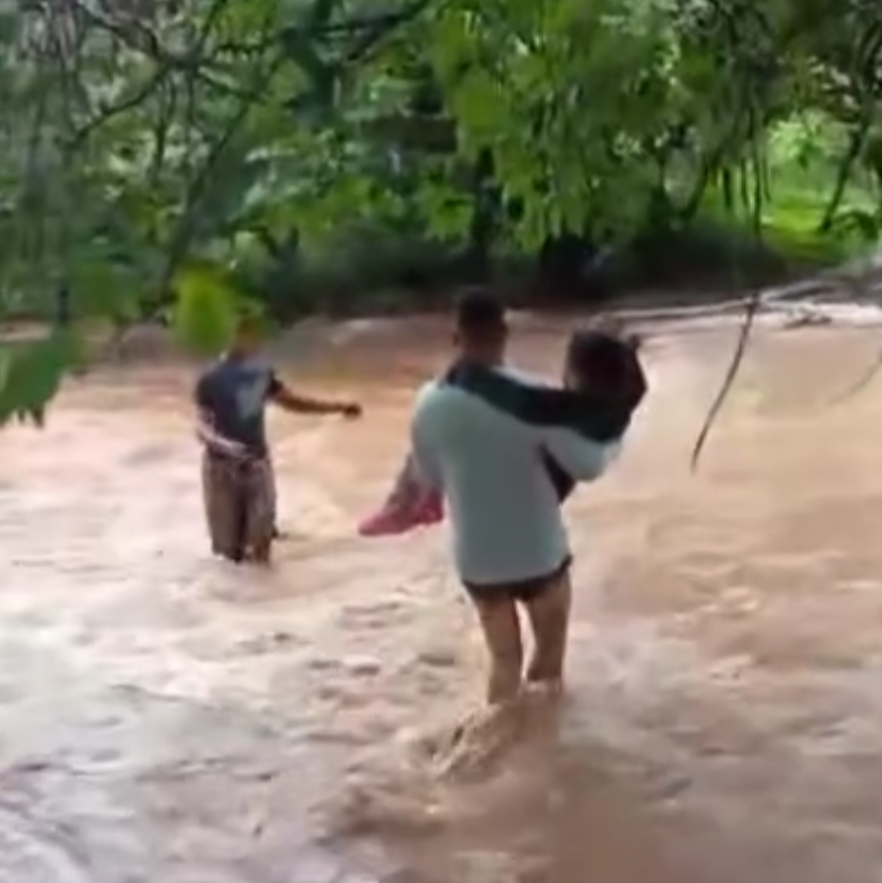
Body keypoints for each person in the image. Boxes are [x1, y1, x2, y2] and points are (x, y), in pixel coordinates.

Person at [407, 289, 623, 704]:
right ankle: (540, 759)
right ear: (505, 332)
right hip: (538, 554)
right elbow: (587, 466)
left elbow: (430, 479)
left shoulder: (427, 405)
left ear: (455, 337)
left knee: (504, 667)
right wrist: (614, 435)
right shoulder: (533, 398)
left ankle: (497, 755)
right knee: (547, 667)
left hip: (478, 562)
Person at [358, 319, 645, 536]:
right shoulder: (625, 395)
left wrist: (464, 374)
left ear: (576, 372)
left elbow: (513, 397)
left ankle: (410, 499)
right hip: (559, 476)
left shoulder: (566, 408)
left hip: (536, 488)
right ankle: (419, 495)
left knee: (453, 421)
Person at [194, 313, 361, 564]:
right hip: (221, 467)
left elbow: (292, 402)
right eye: (242, 334)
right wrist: (221, 444)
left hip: (256, 462)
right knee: (228, 554)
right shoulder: (210, 379)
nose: (249, 342)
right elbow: (201, 424)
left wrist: (337, 407)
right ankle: (235, 600)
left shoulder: (262, 374)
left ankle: (264, 596)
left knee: (261, 542)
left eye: (252, 336)